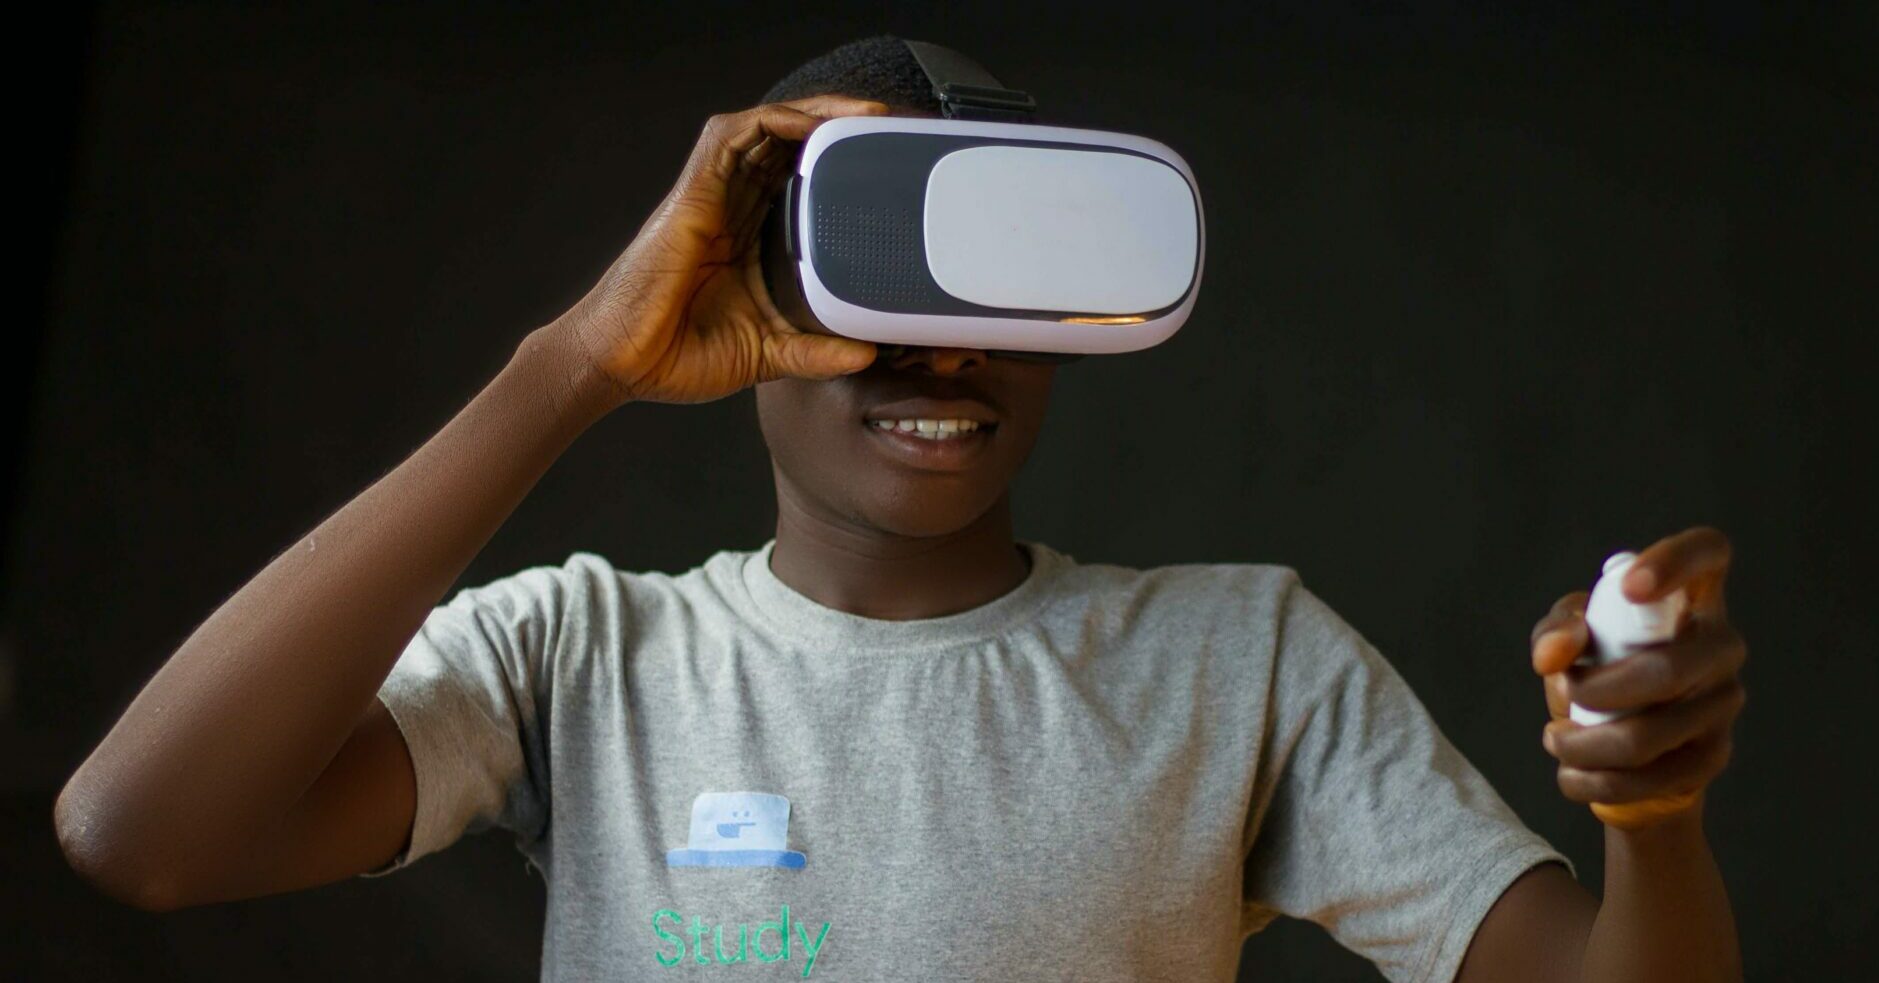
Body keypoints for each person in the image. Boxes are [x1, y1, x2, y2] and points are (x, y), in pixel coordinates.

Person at [52, 34, 1746, 982]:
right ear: (730, 295)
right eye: (868, 274)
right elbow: (141, 835)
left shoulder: (1243, 662)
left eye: (997, 284)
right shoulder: (581, 654)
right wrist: (571, 364)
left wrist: (1653, 818)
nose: (938, 350)